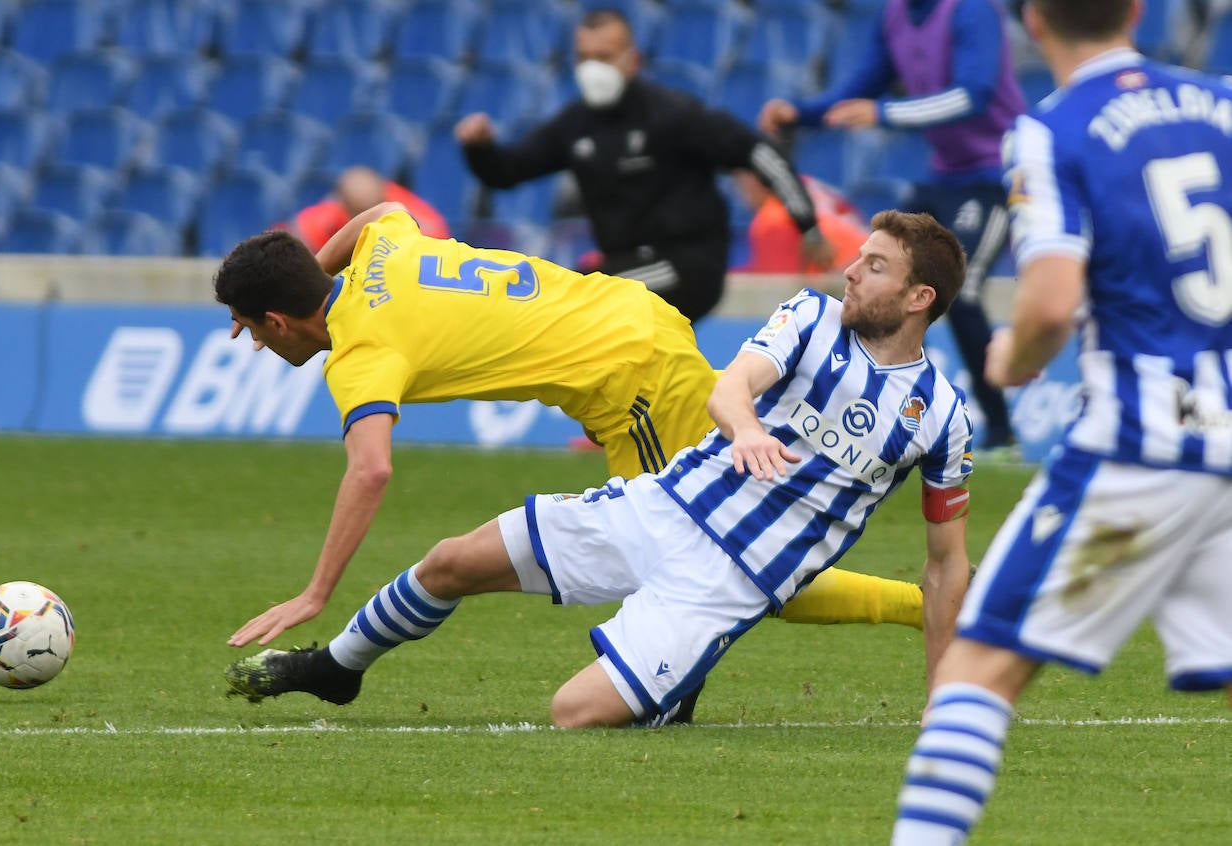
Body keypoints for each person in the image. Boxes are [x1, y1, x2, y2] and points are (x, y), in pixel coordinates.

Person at [222, 210, 975, 728]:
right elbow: (382, 209)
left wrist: (317, 588)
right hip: (627, 326)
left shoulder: (360, 353)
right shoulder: (386, 247)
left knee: (734, 542)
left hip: (627, 378)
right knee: (456, 561)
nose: (849, 272)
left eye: (257, 328)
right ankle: (337, 668)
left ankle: (683, 670)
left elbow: (371, 471)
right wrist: (299, 280)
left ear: (279, 321)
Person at [892, 2, 1232, 842]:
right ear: (1140, 10)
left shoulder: (1053, 128)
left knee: (978, 668)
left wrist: (1013, 358)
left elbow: (1049, 300)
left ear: (1032, 21)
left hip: (1148, 444)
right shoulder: (1220, 102)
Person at [454, 7, 832, 324]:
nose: (592, 69)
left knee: (580, 294)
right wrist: (480, 148)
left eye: (604, 58)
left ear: (632, 60)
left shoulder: (671, 114)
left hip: (689, 265)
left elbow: (758, 154)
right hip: (626, 263)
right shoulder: (574, 125)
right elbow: (508, 172)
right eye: (584, 58)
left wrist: (808, 226)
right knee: (584, 304)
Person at [761, 0, 1025, 452]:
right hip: (944, 174)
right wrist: (801, 113)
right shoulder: (897, 13)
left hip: (995, 175)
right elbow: (862, 88)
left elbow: (972, 95)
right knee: (870, 280)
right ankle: (848, 413)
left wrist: (884, 113)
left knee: (964, 294)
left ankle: (1001, 432)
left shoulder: (971, 9)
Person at [732, 171, 869, 275]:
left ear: (754, 180)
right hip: (871, 263)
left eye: (739, 180)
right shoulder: (805, 183)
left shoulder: (773, 219)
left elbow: (778, 293)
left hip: (846, 282)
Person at [288, 165, 450, 252]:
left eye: (375, 210)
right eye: (360, 214)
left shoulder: (425, 225)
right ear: (342, 205)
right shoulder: (323, 220)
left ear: (386, 197)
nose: (371, 220)